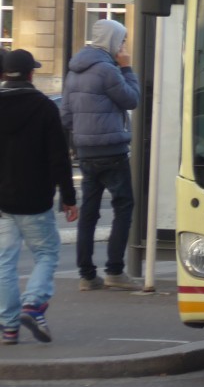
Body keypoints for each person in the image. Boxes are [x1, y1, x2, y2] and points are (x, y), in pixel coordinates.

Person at [0, 49, 78, 344]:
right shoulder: (44, 107)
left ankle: (9, 327)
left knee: (5, 262)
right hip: (35, 198)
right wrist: (68, 198)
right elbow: (59, 158)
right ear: (31, 74)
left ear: (6, 74)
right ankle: (33, 305)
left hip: (3, 202)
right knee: (46, 253)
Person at [60, 18, 141, 290]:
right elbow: (132, 99)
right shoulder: (108, 70)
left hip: (85, 152)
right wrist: (127, 67)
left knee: (90, 213)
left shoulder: (74, 72)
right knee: (124, 206)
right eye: (122, 40)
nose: (123, 45)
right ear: (113, 40)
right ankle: (115, 271)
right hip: (113, 150)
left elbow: (67, 117)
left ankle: (86, 275)